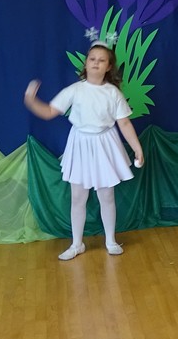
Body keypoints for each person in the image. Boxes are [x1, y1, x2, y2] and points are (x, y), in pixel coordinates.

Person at [24, 40, 144, 259]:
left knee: (107, 196)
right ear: (86, 63)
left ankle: (110, 240)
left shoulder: (113, 93)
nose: (96, 63)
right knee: (78, 197)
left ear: (108, 66)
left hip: (105, 145)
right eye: (92, 59)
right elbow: (49, 111)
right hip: (80, 144)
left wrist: (137, 149)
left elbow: (124, 123)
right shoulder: (75, 90)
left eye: (101, 60)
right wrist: (31, 101)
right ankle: (76, 244)